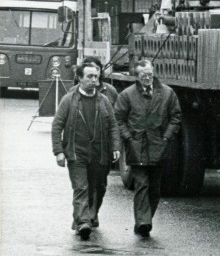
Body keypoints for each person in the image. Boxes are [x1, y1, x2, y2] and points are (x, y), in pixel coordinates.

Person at [51, 58, 120, 239]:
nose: (93, 80)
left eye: (95, 76)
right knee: (81, 187)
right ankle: (83, 222)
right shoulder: (69, 100)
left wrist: (115, 147)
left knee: (98, 187)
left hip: (99, 153)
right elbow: (57, 126)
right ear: (80, 78)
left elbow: (113, 125)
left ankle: (88, 215)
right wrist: (58, 151)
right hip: (76, 153)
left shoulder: (103, 100)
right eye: (89, 76)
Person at [114, 58, 181, 238]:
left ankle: (146, 219)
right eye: (144, 75)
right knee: (141, 184)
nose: (148, 78)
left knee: (155, 188)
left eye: (150, 74)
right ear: (137, 76)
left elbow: (175, 117)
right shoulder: (127, 95)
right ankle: (143, 222)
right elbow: (118, 118)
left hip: (158, 146)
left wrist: (166, 136)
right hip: (136, 146)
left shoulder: (167, 93)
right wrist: (128, 137)